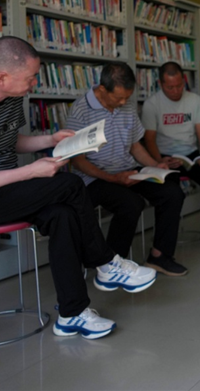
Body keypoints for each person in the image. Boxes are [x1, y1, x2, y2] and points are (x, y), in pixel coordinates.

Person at [0, 36, 155, 341]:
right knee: (71, 184)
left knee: (62, 214)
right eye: (31, 77)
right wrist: (30, 171)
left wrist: (50, 140)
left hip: (7, 191)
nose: (35, 83)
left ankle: (72, 314)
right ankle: (106, 263)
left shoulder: (10, 96)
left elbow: (11, 141)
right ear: (2, 77)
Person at [67, 63, 189, 276]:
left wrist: (155, 165)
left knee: (172, 193)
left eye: (127, 97)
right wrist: (113, 178)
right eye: (119, 98)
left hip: (128, 171)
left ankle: (159, 256)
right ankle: (111, 265)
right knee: (131, 203)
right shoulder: (80, 110)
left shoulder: (127, 105)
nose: (123, 102)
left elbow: (135, 146)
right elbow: (77, 161)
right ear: (103, 89)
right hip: (94, 178)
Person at [142, 62, 200, 248]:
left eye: (179, 85)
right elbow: (149, 139)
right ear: (161, 84)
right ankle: (164, 235)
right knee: (170, 190)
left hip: (190, 156)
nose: (176, 91)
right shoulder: (151, 104)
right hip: (165, 157)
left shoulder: (194, 100)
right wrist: (159, 160)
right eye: (170, 87)